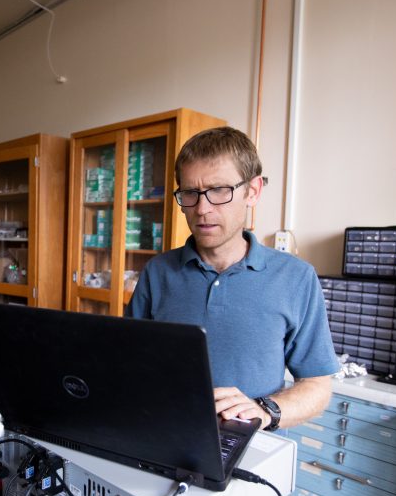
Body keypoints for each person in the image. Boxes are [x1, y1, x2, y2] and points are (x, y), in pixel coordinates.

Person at [125, 126, 339, 431]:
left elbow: (318, 385)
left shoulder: (296, 278)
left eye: (219, 191)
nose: (202, 209)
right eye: (190, 193)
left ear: (252, 192)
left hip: (248, 447)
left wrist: (264, 410)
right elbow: (128, 362)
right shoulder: (158, 272)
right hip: (163, 434)